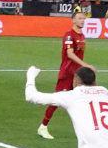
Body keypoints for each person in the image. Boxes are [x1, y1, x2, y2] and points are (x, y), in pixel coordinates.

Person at [36, 12, 89, 140]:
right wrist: (85, 65)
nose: (82, 20)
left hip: (77, 75)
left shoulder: (82, 35)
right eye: (79, 18)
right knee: (56, 100)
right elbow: (70, 54)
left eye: (83, 18)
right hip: (67, 73)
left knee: (80, 100)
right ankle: (43, 126)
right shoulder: (69, 36)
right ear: (73, 21)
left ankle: (84, 129)